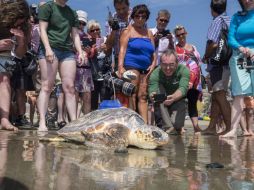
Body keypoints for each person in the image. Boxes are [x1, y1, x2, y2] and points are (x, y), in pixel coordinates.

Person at [37, 0, 84, 131]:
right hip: (50, 48)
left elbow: (75, 34)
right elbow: (42, 29)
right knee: (47, 86)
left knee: (69, 87)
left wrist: (80, 52)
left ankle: (73, 123)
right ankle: (42, 121)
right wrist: (47, 49)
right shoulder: (47, 7)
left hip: (67, 51)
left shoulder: (72, 12)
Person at [220, 0, 254, 138]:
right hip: (239, 56)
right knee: (239, 93)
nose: (247, 0)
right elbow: (231, 38)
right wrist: (241, 48)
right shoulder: (237, 17)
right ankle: (233, 130)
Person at [118, 4, 156, 123]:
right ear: (133, 16)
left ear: (146, 18)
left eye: (143, 16)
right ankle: (133, 122)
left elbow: (154, 53)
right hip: (131, 65)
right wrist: (120, 67)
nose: (140, 19)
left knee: (143, 96)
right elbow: (122, 50)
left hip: (146, 68)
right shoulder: (127, 31)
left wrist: (154, 64)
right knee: (132, 94)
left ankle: (144, 124)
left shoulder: (149, 33)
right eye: (137, 16)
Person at [0, 0, 30, 131]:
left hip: (6, 59)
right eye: (18, 19)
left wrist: (22, 40)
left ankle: (5, 120)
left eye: (22, 20)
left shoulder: (24, 26)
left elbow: (19, 55)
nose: (19, 23)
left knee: (4, 80)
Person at [202, 0, 231, 135]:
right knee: (216, 96)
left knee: (219, 95)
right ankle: (212, 127)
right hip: (227, 62)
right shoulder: (228, 20)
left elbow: (213, 44)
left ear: (211, 9)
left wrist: (205, 56)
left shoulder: (216, 21)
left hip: (217, 64)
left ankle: (229, 128)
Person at [148, 49, 190, 135]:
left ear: (177, 63)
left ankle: (176, 126)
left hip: (178, 99)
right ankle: (167, 126)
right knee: (158, 91)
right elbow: (152, 91)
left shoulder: (184, 70)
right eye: (164, 65)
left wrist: (173, 97)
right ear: (160, 64)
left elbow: (183, 88)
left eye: (171, 65)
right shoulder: (155, 74)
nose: (168, 68)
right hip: (162, 101)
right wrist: (152, 95)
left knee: (177, 126)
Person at [174, 25, 202, 134]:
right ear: (176, 36)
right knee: (179, 103)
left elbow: (198, 63)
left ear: (186, 34)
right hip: (181, 79)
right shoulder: (174, 48)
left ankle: (196, 127)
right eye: (178, 35)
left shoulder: (194, 47)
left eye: (182, 34)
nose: (181, 36)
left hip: (195, 80)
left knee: (192, 103)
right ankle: (180, 127)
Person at [149, 9, 175, 127]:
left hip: (163, 69)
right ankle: (148, 123)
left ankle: (160, 124)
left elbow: (172, 54)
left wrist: (169, 41)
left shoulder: (170, 36)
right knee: (148, 95)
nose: (163, 22)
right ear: (157, 19)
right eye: (161, 20)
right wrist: (155, 39)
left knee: (159, 96)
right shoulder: (150, 31)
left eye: (166, 21)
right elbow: (147, 49)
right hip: (150, 67)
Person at [87, 20, 112, 110]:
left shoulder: (105, 39)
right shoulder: (88, 43)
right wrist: (91, 50)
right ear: (89, 32)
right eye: (92, 30)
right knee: (93, 102)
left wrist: (106, 48)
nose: (95, 32)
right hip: (93, 76)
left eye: (97, 29)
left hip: (105, 75)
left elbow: (109, 53)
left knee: (105, 101)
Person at [74, 10, 93, 115]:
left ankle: (86, 119)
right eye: (79, 22)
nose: (81, 25)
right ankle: (73, 120)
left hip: (86, 69)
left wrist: (90, 51)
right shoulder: (70, 34)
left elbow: (91, 55)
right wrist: (77, 47)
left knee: (87, 97)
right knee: (74, 95)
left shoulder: (87, 36)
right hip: (74, 67)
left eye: (83, 23)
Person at [105, 0, 132, 71]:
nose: (121, 12)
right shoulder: (111, 19)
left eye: (123, 8)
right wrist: (114, 30)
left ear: (128, 5)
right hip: (119, 58)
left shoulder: (137, 15)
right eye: (118, 9)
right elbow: (108, 45)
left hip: (135, 57)